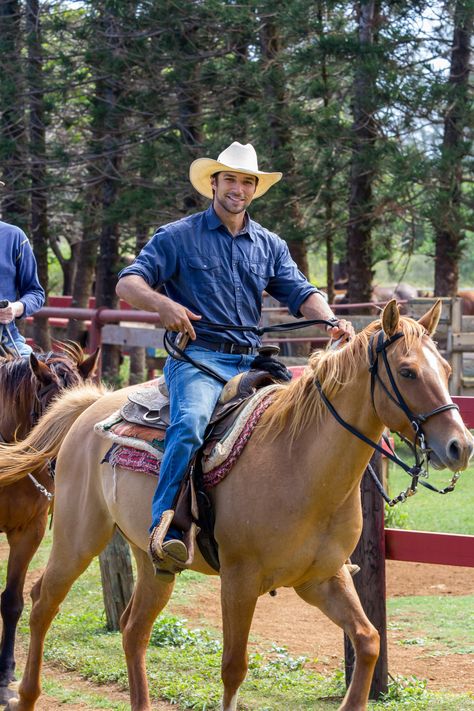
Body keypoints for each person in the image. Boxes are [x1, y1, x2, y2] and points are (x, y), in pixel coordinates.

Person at [116, 141, 354, 578]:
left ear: (254, 189)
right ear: (214, 183)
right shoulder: (177, 237)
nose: (238, 188)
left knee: (314, 421)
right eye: (230, 179)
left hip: (251, 363)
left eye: (247, 182)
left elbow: (301, 293)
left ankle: (313, 537)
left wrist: (330, 319)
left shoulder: (269, 245)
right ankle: (165, 526)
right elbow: (128, 283)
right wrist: (163, 306)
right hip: (199, 360)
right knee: (188, 426)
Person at [0, 214, 45, 357]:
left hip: (6, 341)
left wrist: (14, 308)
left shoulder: (14, 236)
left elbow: (36, 293)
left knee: (43, 375)